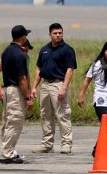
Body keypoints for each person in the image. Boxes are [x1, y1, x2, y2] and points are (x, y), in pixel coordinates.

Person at [31, 23, 77, 154]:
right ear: (50, 34)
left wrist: (64, 88)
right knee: (45, 115)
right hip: (45, 85)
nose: (58, 35)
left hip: (58, 84)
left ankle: (66, 143)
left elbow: (70, 70)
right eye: (55, 33)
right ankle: (47, 144)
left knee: (62, 114)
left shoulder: (67, 50)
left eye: (60, 33)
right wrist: (34, 87)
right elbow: (39, 69)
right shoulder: (44, 49)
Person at [0, 25, 34, 164]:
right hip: (16, 91)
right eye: (25, 36)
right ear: (22, 37)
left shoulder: (6, 52)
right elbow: (22, 79)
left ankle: (8, 150)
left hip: (7, 89)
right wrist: (28, 97)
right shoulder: (20, 55)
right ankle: (7, 153)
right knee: (15, 121)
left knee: (7, 122)